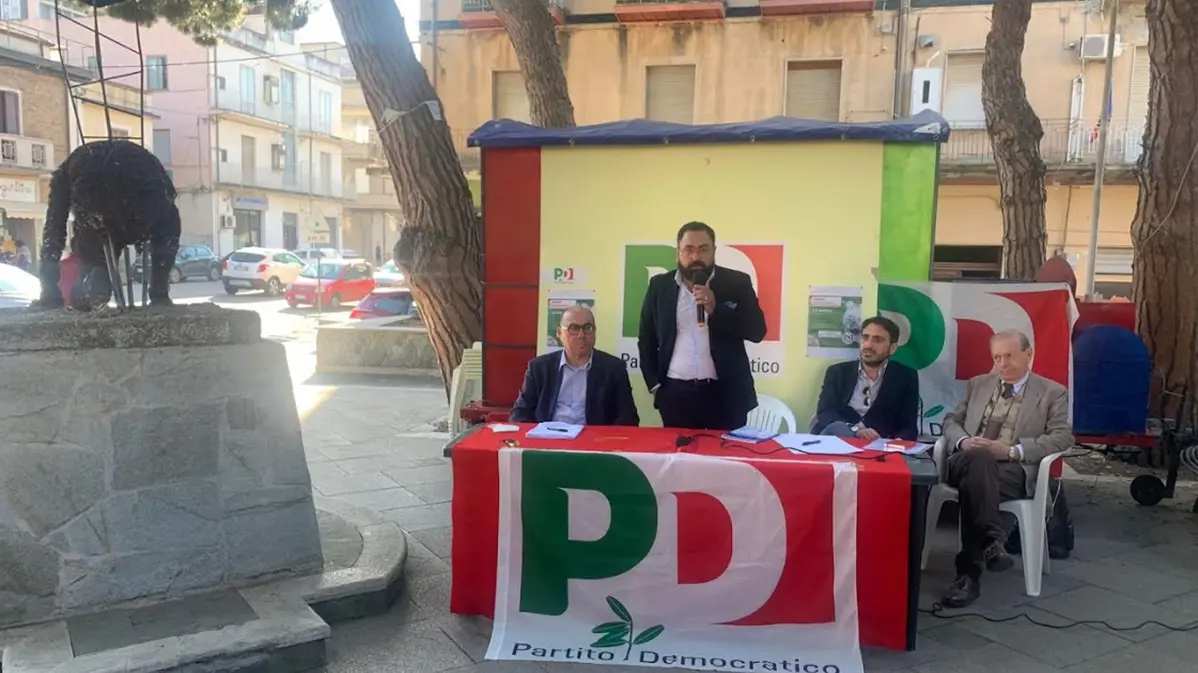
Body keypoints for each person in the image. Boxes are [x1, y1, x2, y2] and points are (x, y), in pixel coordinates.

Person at [939, 329, 1073, 608]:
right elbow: (951, 420)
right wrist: (963, 441)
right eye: (997, 357)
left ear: (1029, 354)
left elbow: (1062, 437)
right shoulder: (978, 384)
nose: (1002, 364)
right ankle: (991, 539)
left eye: (1009, 356)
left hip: (1011, 469)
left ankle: (969, 573)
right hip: (966, 461)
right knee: (980, 461)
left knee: (976, 486)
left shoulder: (1052, 392)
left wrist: (1014, 451)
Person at [637, 221, 767, 430]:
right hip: (675, 394)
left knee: (726, 452)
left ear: (714, 251)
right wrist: (655, 386)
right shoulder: (659, 286)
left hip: (726, 395)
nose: (696, 257)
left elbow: (757, 331)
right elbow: (646, 339)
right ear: (678, 252)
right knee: (680, 451)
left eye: (703, 249)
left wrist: (716, 308)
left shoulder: (737, 283)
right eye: (689, 249)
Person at [510, 306, 639, 426]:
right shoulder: (539, 368)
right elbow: (520, 413)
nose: (581, 335)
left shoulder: (614, 368)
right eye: (574, 328)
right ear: (560, 333)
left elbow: (628, 417)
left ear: (594, 331)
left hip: (593, 439)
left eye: (587, 328)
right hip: (549, 437)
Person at [812, 316, 919, 441]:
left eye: (877, 340)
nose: (868, 345)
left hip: (879, 444)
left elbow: (908, 426)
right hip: (839, 439)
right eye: (865, 337)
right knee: (837, 428)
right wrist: (855, 430)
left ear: (893, 348)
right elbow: (825, 412)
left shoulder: (905, 376)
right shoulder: (838, 372)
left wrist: (897, 443)